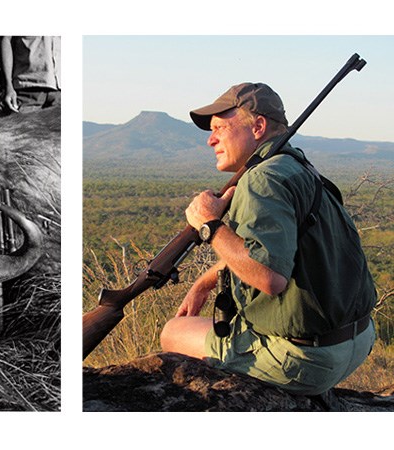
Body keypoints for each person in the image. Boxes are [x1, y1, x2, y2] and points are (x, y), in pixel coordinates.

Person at [160, 82, 376, 396]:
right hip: (355, 343)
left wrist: (209, 224)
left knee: (174, 331)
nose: (210, 139)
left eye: (220, 127)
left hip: (307, 360)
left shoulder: (261, 179)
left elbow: (270, 277)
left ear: (258, 126)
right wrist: (208, 278)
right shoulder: (297, 165)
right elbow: (291, 251)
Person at [0, 36, 61, 113]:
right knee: (22, 123)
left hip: (59, 89)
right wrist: (9, 85)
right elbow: (6, 39)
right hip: (28, 87)